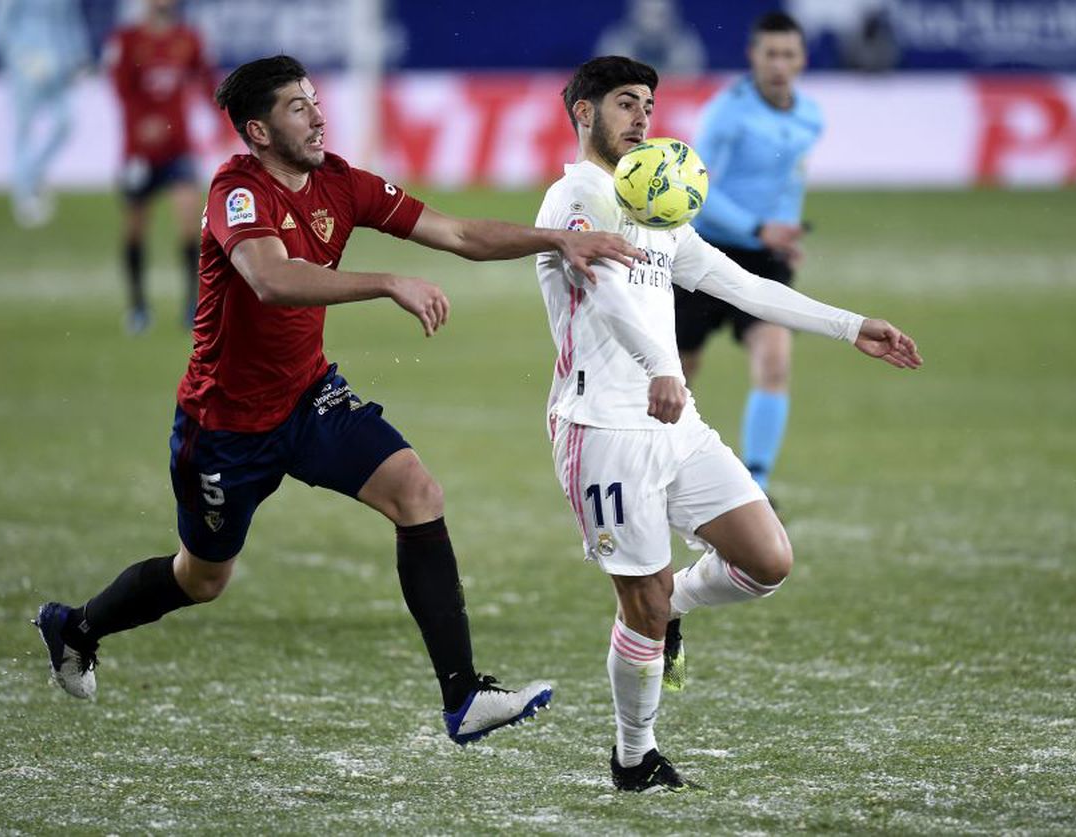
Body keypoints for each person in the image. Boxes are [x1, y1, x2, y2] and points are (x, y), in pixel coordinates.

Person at [34, 55, 644, 746]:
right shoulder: (235, 190)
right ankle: (76, 626)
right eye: (299, 106)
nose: (319, 114)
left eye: (316, 99)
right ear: (259, 132)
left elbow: (457, 233)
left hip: (308, 398)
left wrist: (558, 238)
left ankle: (464, 697)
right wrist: (387, 281)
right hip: (225, 427)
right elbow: (269, 278)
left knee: (417, 492)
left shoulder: (341, 182)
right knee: (202, 578)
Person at [535, 55, 921, 791]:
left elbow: (737, 282)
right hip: (603, 428)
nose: (642, 117)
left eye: (647, 103)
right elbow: (606, 296)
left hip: (672, 419)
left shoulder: (655, 202)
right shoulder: (576, 197)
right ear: (584, 113)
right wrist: (660, 365)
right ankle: (633, 756)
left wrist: (850, 325)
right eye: (624, 103)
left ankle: (674, 603)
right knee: (637, 605)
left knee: (767, 560)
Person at [677, 12, 820, 502]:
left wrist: (784, 236)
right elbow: (698, 187)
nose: (779, 64)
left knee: (775, 359)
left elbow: (788, 182)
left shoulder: (810, 116)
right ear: (753, 57)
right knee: (677, 370)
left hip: (765, 259)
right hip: (705, 253)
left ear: (802, 59)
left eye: (788, 54)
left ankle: (757, 484)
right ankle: (662, 467)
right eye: (770, 53)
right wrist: (758, 227)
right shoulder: (726, 112)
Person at [104, 0, 218, 333]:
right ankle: (138, 307)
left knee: (190, 223)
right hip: (139, 154)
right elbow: (121, 90)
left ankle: (192, 307)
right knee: (135, 229)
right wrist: (143, 124)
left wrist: (224, 116)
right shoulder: (126, 40)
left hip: (178, 149)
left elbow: (207, 81)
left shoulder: (188, 38)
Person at [0, 0, 91, 228]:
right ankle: (24, 196)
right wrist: (22, 58)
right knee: (24, 130)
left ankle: (33, 173)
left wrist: (80, 57)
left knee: (65, 122)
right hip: (26, 68)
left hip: (59, 67)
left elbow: (71, 24)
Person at [593, 0, 707, 76]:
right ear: (634, 13)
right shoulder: (615, 43)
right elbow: (608, 81)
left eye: (660, 15)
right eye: (646, 14)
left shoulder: (686, 45)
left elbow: (690, 83)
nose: (653, 22)